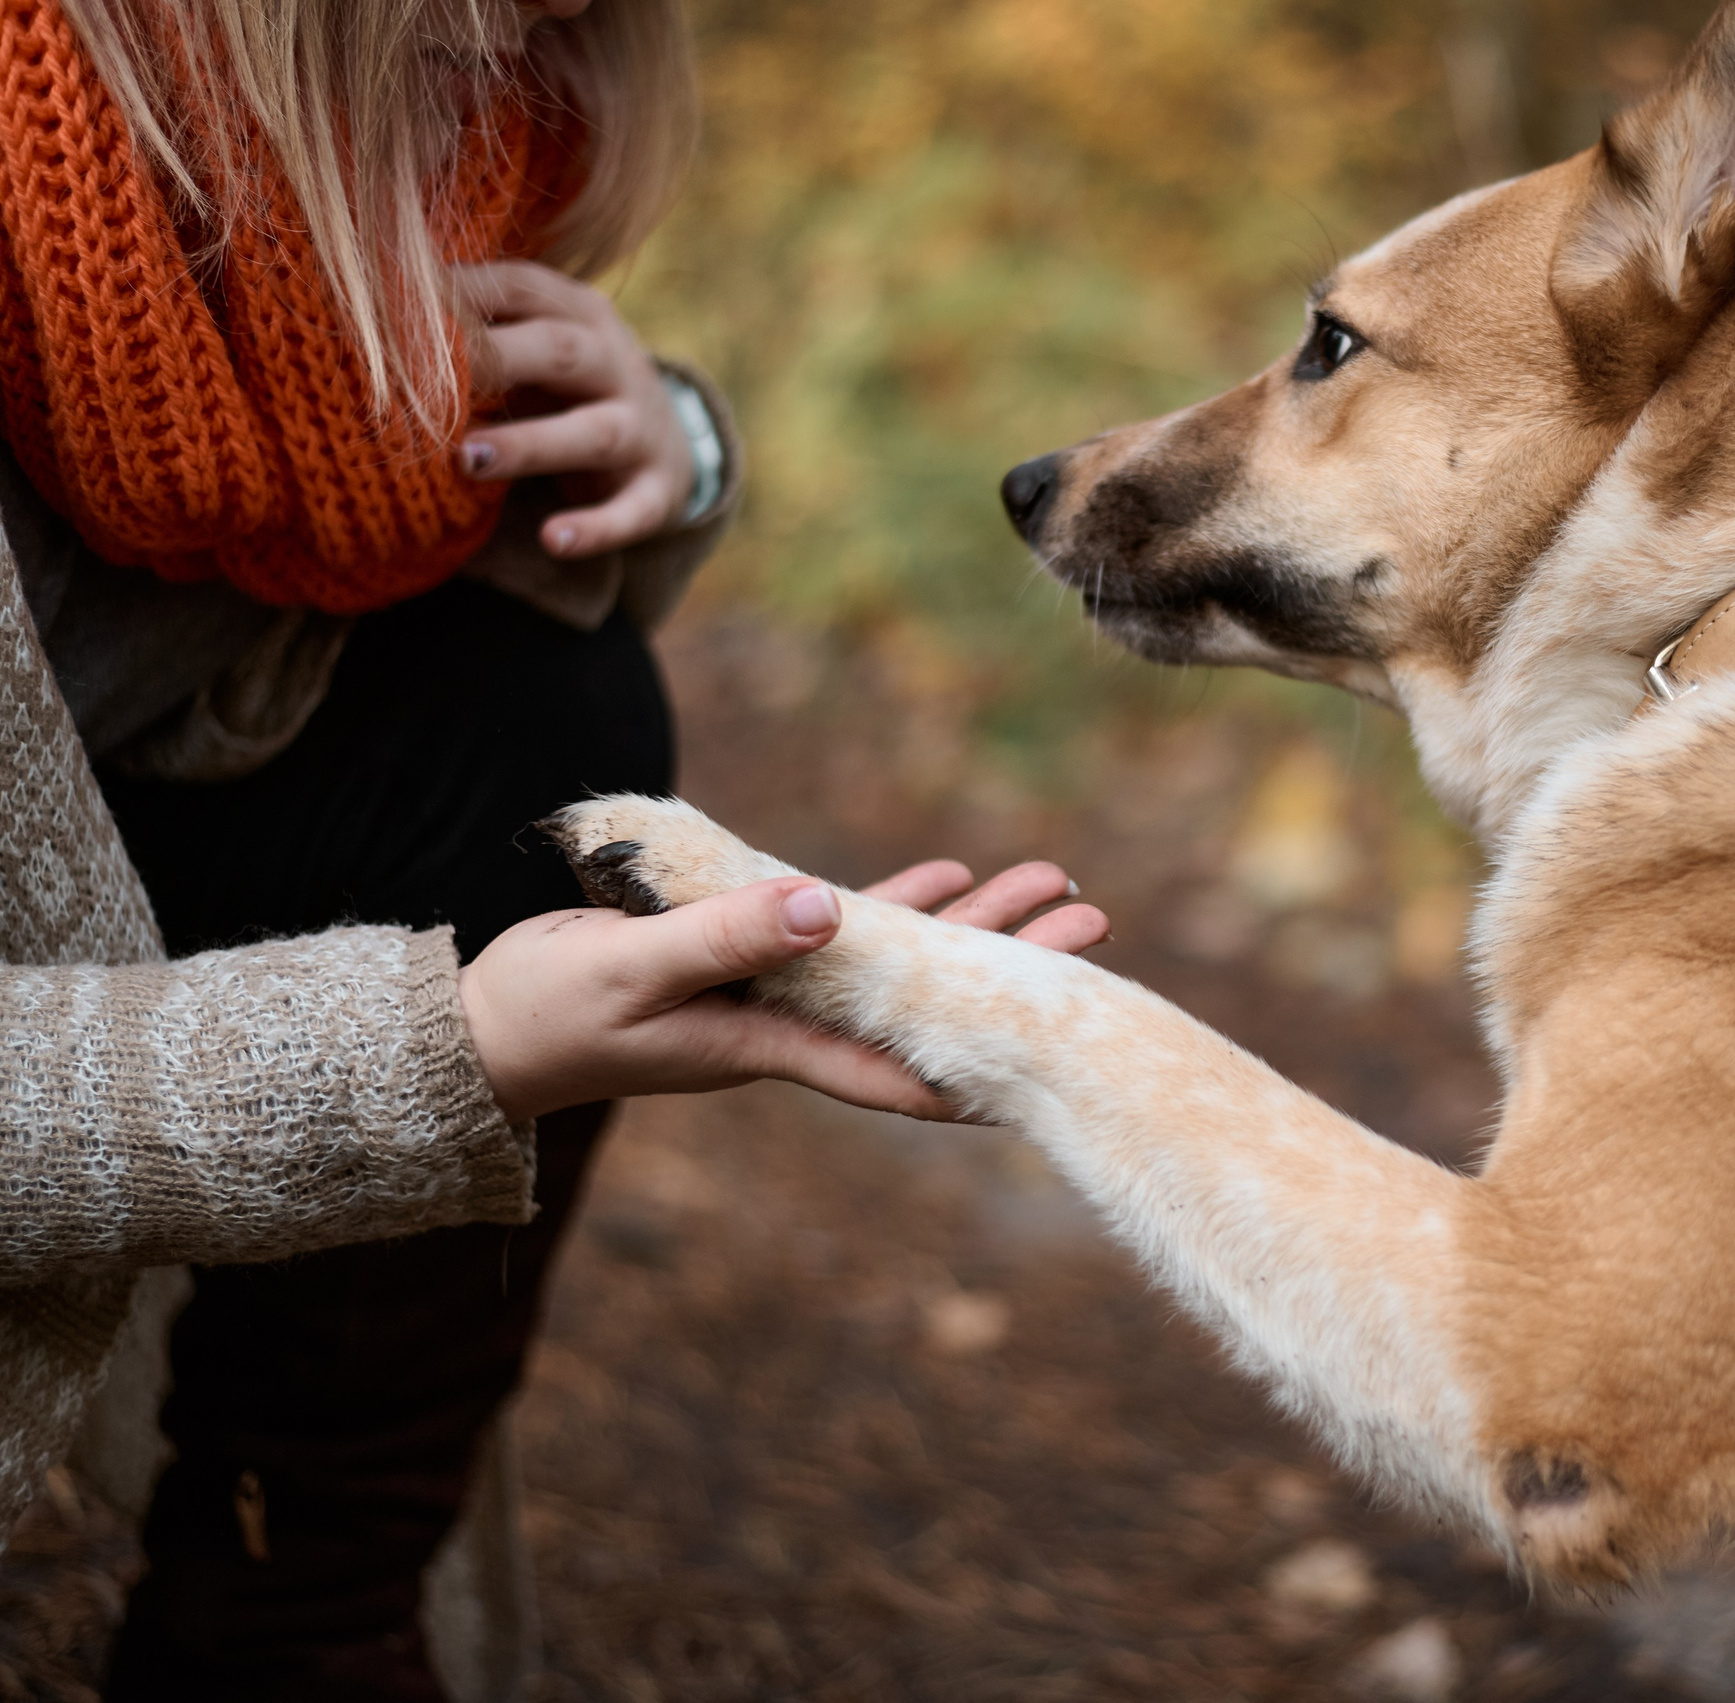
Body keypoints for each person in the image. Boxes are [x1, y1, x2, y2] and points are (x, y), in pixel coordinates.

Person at [0, 0, 1104, 1695]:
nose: (555, 44)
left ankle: (291, 1623)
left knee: (533, 717)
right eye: (462, 43)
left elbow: (287, 625)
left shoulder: (288, 218)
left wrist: (671, 437)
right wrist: (441, 1049)